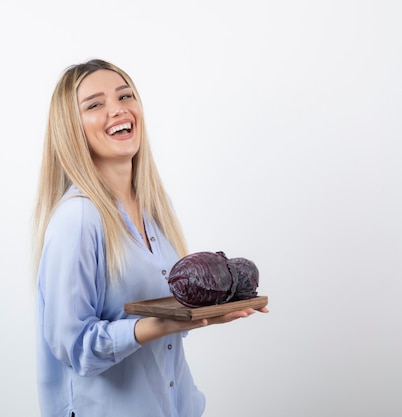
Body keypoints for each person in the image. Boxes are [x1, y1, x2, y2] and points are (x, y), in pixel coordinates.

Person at [32, 58, 267, 417]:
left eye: (125, 96)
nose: (117, 109)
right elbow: (74, 346)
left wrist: (203, 312)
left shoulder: (154, 206)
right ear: (71, 128)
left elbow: (167, 327)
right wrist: (162, 323)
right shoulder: (78, 218)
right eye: (95, 104)